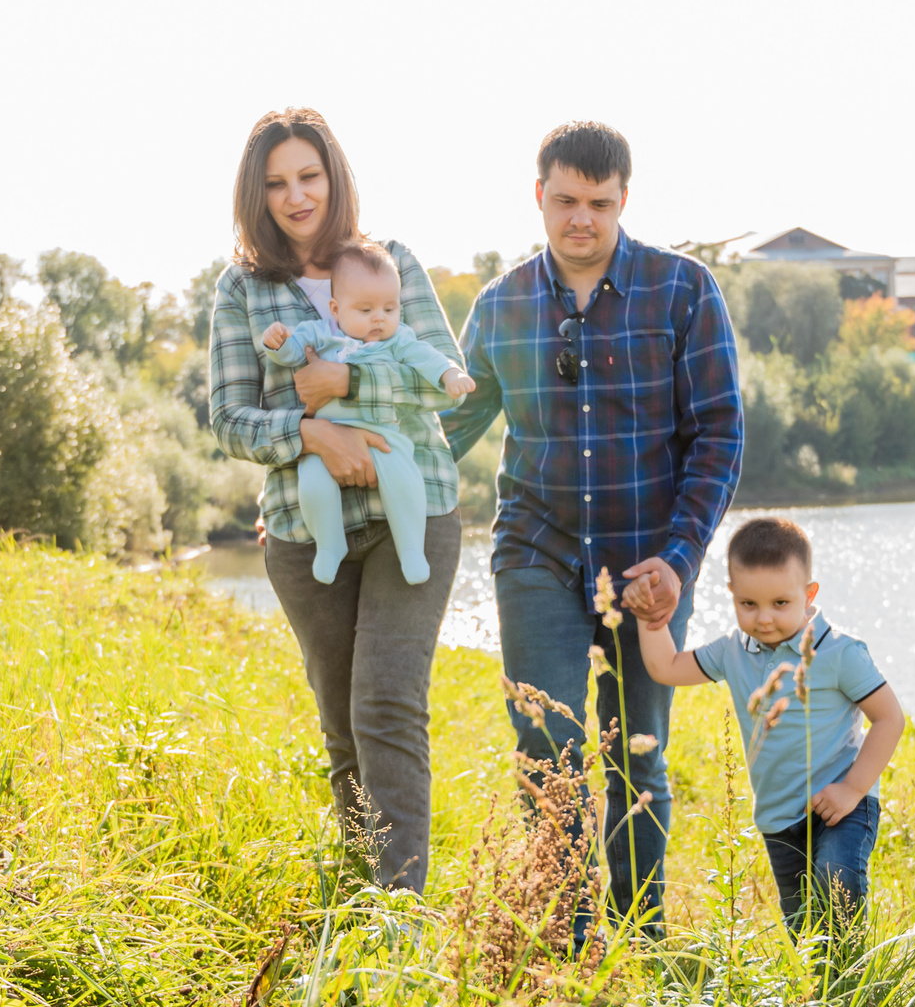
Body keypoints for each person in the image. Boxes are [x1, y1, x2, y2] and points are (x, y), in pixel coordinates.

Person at [446, 120, 744, 942]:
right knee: (547, 747)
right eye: (567, 200)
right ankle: (566, 933)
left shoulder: (682, 290)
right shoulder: (501, 305)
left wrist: (680, 559)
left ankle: (638, 932)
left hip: (648, 558)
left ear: (624, 200)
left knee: (637, 752)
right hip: (535, 548)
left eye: (600, 204)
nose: (582, 219)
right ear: (538, 195)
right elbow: (446, 432)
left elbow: (719, 434)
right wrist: (319, 482)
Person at [207, 108, 468, 893]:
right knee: (343, 726)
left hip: (412, 515)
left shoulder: (394, 263)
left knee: (386, 703)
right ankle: (361, 896)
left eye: (309, 176)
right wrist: (312, 433)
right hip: (303, 528)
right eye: (278, 182)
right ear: (257, 194)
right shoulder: (243, 290)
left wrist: (351, 382)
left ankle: (402, 915)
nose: (296, 196)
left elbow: (443, 381)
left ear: (335, 176)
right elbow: (229, 419)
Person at [635, 516, 906, 940]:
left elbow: (890, 718)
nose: (764, 619)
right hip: (779, 817)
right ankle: (818, 991)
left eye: (781, 603)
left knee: (837, 882)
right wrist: (648, 615)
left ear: (809, 594)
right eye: (748, 604)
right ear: (732, 596)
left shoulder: (838, 652)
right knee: (802, 926)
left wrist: (853, 788)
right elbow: (666, 667)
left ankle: (851, 979)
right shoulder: (732, 650)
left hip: (840, 803)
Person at [262, 239, 477, 586]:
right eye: (365, 311)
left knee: (405, 482)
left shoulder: (398, 339)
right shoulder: (321, 334)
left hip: (384, 435)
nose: (379, 318)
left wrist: (450, 374)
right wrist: (277, 342)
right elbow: (290, 352)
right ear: (335, 309)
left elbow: (427, 357)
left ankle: (411, 549)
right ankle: (329, 546)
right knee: (314, 486)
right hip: (325, 436)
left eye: (389, 309)